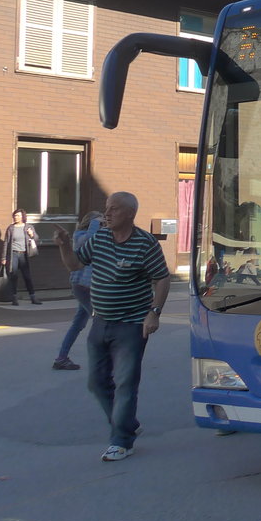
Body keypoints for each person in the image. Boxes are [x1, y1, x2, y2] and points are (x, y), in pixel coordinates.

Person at [54, 192, 170, 462]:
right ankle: (127, 424)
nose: (107, 214)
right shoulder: (101, 238)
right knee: (96, 382)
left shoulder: (145, 243)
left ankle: (121, 441)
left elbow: (162, 279)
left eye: (114, 209)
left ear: (130, 214)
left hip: (132, 325)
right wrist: (64, 245)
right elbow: (75, 264)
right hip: (101, 320)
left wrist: (154, 313)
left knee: (125, 383)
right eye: (107, 208)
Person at [53, 210, 102, 370]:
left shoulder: (98, 236)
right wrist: (96, 222)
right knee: (101, 321)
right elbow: (88, 240)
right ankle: (101, 359)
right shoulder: (80, 235)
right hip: (83, 286)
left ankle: (61, 358)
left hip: (87, 286)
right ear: (90, 222)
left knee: (78, 324)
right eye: (99, 221)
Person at [1, 209, 41, 305]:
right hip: (13, 254)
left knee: (27, 276)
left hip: (24, 255)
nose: (16, 217)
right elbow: (6, 243)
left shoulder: (28, 227)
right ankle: (14, 297)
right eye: (15, 215)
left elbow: (36, 239)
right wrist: (3, 257)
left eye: (18, 215)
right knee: (13, 276)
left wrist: (31, 234)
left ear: (23, 216)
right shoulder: (11, 228)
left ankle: (33, 297)